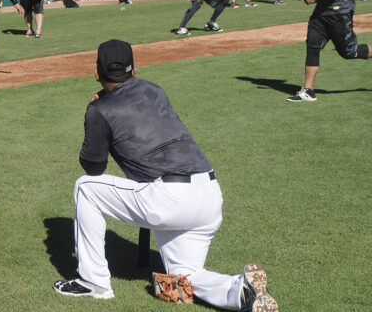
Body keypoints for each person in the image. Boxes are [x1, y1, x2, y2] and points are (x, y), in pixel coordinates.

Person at [52, 39, 279, 312]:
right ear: (134, 70)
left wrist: (93, 118)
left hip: (168, 198)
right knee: (184, 274)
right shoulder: (154, 90)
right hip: (209, 194)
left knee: (86, 187)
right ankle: (241, 291)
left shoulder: (99, 109)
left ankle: (93, 282)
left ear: (97, 73)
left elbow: (93, 168)